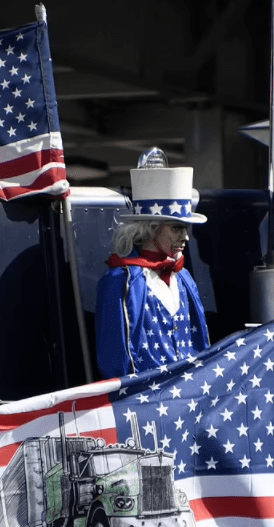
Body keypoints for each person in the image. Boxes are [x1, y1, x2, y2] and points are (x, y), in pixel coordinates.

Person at [95, 150, 210, 379]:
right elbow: (114, 365)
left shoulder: (184, 278)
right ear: (151, 227)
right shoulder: (120, 281)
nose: (185, 237)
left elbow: (201, 347)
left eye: (186, 229)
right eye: (177, 228)